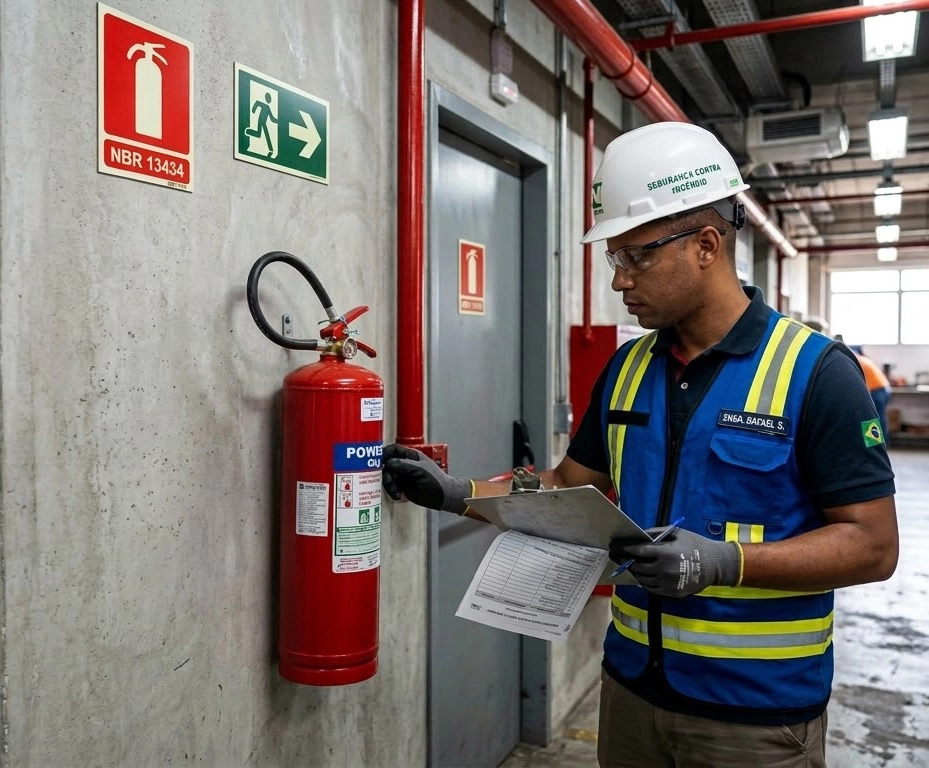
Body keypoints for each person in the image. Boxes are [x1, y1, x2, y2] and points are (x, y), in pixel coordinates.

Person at [382, 121, 898, 768]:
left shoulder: (816, 373)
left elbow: (873, 546)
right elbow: (568, 487)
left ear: (706, 245)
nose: (619, 281)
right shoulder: (627, 369)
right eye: (614, 259)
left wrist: (724, 562)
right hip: (630, 692)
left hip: (754, 716)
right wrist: (459, 494)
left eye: (637, 256)